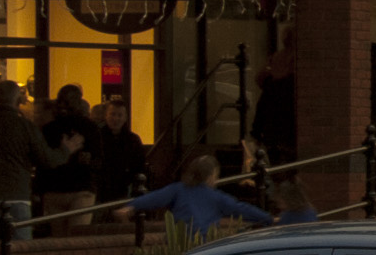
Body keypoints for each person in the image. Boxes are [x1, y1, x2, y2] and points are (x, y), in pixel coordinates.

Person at [0, 80, 60, 239]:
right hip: (17, 195)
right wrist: (66, 150)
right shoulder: (24, 125)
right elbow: (46, 159)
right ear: (17, 99)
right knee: (19, 252)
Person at [127, 153, 278, 234]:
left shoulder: (178, 189)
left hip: (181, 241)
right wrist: (267, 218)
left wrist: (131, 207)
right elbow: (241, 209)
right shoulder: (216, 197)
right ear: (211, 176)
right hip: (204, 242)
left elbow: (155, 198)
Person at [34, 85, 100, 231]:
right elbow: (97, 157)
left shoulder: (49, 129)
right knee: (77, 235)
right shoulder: (89, 127)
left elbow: (43, 160)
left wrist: (38, 189)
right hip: (80, 186)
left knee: (59, 238)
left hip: (55, 187)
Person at [92, 100, 148, 211]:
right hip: (101, 188)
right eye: (112, 114)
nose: (116, 119)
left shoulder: (133, 140)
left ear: (125, 117)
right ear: (106, 116)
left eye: (119, 115)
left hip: (124, 188)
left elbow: (140, 164)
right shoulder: (97, 137)